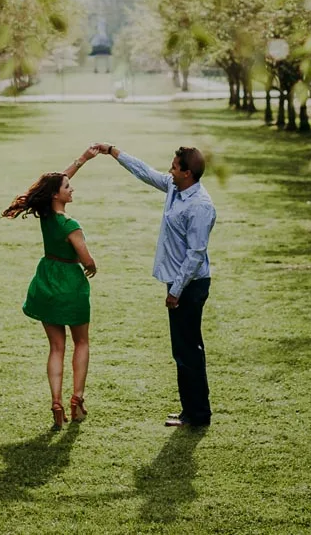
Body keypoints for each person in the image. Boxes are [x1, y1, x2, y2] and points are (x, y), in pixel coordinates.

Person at [93, 142, 216, 428]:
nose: (170, 171)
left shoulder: (200, 206)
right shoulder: (176, 188)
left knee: (188, 351)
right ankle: (191, 412)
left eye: (174, 167)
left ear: (187, 173)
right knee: (183, 350)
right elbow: (146, 172)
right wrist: (114, 152)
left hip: (190, 285)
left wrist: (176, 291)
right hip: (178, 282)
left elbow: (196, 255)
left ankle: (198, 415)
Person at [2, 146, 99, 428]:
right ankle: (77, 400)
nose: (72, 189)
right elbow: (85, 257)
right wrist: (92, 266)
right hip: (70, 284)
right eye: (68, 187)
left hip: (46, 280)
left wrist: (81, 160)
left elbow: (55, 183)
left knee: (56, 347)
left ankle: (56, 402)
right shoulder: (70, 223)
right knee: (81, 342)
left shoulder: (46, 213)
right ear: (57, 194)